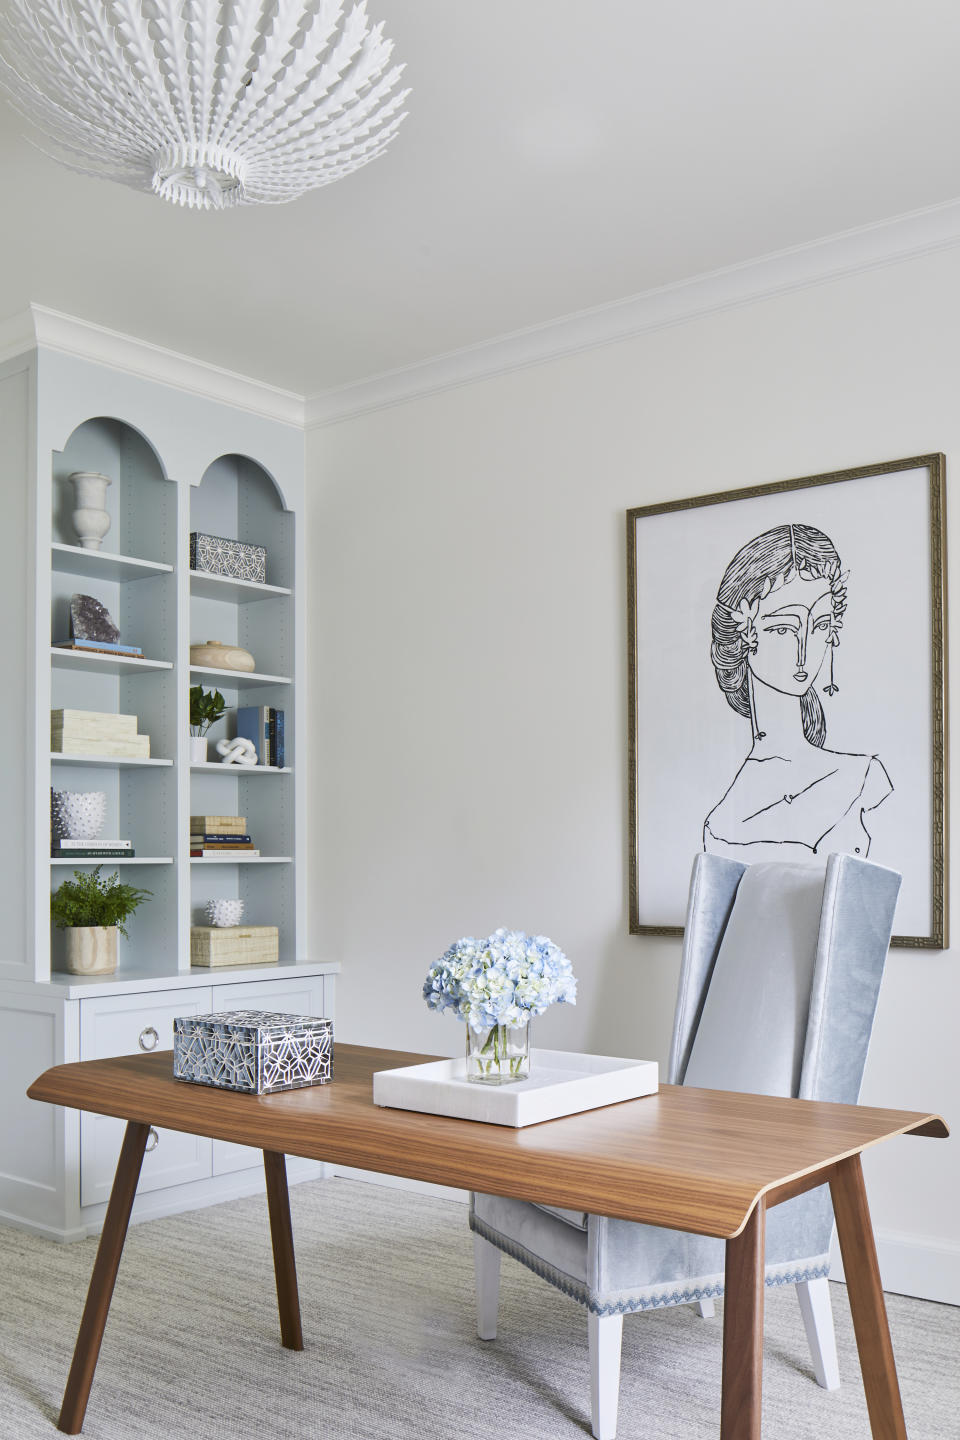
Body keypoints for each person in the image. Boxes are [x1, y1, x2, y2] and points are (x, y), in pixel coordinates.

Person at [703, 522, 892, 860]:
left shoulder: (864, 775)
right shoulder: (720, 822)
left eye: (820, 625)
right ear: (744, 634)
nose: (804, 650)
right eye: (783, 628)